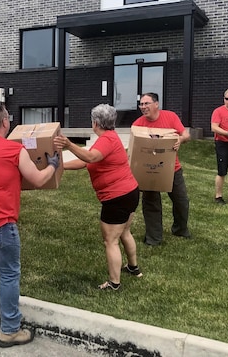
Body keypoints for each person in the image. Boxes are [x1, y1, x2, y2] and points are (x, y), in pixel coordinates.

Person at [0, 101, 60, 349]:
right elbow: (38, 180)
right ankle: (9, 331)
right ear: (5, 122)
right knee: (8, 275)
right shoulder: (13, 150)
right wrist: (52, 165)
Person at [53, 104, 142, 291]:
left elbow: (91, 157)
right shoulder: (109, 138)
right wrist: (61, 166)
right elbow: (87, 160)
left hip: (116, 197)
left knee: (111, 240)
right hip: (130, 192)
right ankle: (133, 268)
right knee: (124, 232)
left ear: (95, 123)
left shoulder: (106, 140)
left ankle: (114, 283)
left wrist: (69, 144)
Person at [131, 92, 191, 246]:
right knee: (151, 203)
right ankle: (154, 238)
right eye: (141, 104)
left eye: (146, 104)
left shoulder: (170, 117)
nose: (143, 107)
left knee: (181, 201)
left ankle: (180, 229)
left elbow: (186, 135)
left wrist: (180, 139)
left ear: (156, 104)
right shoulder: (138, 125)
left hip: (172, 168)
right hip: (149, 169)